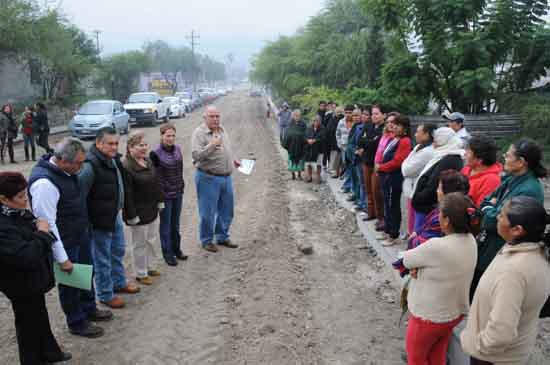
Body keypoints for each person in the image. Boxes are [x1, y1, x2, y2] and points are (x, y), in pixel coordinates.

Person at [29, 138, 111, 338]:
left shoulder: (67, 172)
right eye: (79, 164)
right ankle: (76, 321)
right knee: (70, 282)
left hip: (79, 235)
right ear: (64, 160)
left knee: (85, 274)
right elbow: (47, 224)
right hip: (64, 242)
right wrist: (62, 258)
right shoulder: (44, 184)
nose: (82, 168)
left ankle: (89, 308)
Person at [461, 196, 550, 365]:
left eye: (502, 215)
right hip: (513, 352)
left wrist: (476, 346)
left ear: (517, 229)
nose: (497, 218)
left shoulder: (513, 272)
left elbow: (501, 332)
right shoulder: (534, 252)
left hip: (493, 358)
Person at [0, 172, 72, 364]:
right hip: (19, 283)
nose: (25, 200)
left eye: (25, 195)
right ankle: (32, 360)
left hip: (32, 280)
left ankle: (50, 352)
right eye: (21, 197)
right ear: (3, 199)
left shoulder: (16, 212)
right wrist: (42, 232)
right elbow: (26, 255)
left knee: (39, 316)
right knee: (26, 324)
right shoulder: (3, 225)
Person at [402, 192, 478, 365]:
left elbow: (406, 260)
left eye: (440, 215)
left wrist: (414, 241)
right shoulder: (471, 241)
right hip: (453, 313)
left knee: (416, 358)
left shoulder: (437, 246)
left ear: (447, 221)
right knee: (438, 353)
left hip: (428, 317)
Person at [471, 138, 546, 299]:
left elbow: (495, 222)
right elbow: (486, 200)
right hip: (489, 247)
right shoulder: (512, 179)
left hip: (500, 250)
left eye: (508, 155)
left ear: (521, 162)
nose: (504, 157)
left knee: (488, 298)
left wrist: (491, 209)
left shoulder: (529, 190)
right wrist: (491, 208)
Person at [80, 127, 140, 309]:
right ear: (98, 143)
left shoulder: (112, 159)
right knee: (102, 258)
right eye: (110, 143)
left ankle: (119, 283)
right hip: (99, 221)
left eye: (116, 143)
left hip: (113, 215)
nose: (114, 147)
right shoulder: (90, 166)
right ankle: (106, 294)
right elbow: (79, 196)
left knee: (118, 250)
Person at [394, 170, 471, 276]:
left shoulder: (442, 218)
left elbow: (423, 245)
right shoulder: (454, 211)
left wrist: (413, 238)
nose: (437, 191)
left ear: (447, 193)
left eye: (439, 188)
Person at [191, 106, 241, 253]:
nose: (215, 119)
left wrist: (234, 159)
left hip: (226, 177)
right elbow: (196, 156)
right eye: (212, 116)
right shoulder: (199, 133)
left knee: (227, 210)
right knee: (208, 212)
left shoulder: (222, 130)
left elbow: (227, 149)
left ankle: (222, 236)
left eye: (217, 116)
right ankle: (206, 240)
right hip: (208, 177)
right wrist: (211, 145)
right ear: (204, 118)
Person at [123, 132, 165, 283]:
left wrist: (160, 200)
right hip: (138, 212)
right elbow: (127, 193)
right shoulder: (126, 166)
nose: (144, 148)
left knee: (152, 240)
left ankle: (151, 266)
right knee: (139, 244)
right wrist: (131, 215)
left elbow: (156, 182)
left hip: (152, 208)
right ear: (130, 148)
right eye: (140, 145)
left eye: (145, 145)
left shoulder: (147, 161)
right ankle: (141, 273)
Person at [411, 127, 464, 230]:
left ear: (443, 142)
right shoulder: (444, 154)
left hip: (427, 207)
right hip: (426, 205)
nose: (433, 144)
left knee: (421, 235)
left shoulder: (449, 158)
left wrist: (418, 198)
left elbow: (433, 185)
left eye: (436, 140)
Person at [150, 124, 187, 266]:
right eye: (167, 136)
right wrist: (160, 195)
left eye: (173, 136)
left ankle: (177, 249)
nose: (171, 138)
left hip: (178, 192)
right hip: (165, 195)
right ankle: (167, 253)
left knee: (175, 224)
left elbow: (180, 169)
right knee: (166, 225)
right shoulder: (155, 154)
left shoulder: (178, 149)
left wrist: (181, 185)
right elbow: (155, 178)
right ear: (161, 136)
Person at [376, 114, 412, 245]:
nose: (394, 127)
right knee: (387, 203)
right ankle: (387, 230)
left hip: (394, 177)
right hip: (387, 176)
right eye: (394, 125)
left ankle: (393, 234)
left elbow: (397, 161)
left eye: (397, 125)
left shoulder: (405, 141)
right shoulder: (395, 139)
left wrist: (381, 167)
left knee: (393, 205)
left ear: (405, 128)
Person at [401, 124, 436, 235]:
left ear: (426, 134)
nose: (415, 134)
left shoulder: (428, 152)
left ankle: (413, 243)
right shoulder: (419, 147)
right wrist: (405, 165)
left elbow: (407, 170)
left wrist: (405, 165)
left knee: (415, 220)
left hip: (415, 190)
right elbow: (406, 163)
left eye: (418, 132)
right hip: (410, 188)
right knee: (411, 217)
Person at [357, 104, 385, 223]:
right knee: (367, 189)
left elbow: (375, 144)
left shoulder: (385, 129)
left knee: (376, 191)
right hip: (366, 161)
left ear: (383, 115)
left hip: (377, 164)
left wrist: (367, 141)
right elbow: (360, 140)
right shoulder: (368, 125)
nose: (374, 116)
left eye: (376, 114)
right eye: (372, 114)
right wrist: (369, 141)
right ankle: (371, 212)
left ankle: (380, 217)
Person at [461, 135, 502, 206]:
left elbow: (480, 210)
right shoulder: (467, 169)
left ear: (479, 160)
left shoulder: (491, 180)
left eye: (469, 152)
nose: (465, 154)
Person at [373, 111, 396, 232]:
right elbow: (379, 151)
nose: (390, 125)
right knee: (377, 194)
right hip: (378, 168)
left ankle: (386, 222)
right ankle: (381, 218)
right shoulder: (385, 135)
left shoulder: (395, 138)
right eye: (388, 122)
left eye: (393, 122)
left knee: (385, 197)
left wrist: (381, 167)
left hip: (386, 171)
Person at [347, 108, 367, 212]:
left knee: (361, 181)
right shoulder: (354, 127)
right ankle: (356, 196)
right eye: (353, 116)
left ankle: (361, 201)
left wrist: (355, 151)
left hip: (358, 158)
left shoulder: (361, 128)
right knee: (355, 179)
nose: (355, 117)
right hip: (351, 158)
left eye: (357, 115)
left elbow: (358, 144)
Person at [282, 110, 307, 180]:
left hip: (300, 145)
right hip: (291, 145)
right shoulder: (290, 123)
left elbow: (305, 133)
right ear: (293, 116)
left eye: (298, 116)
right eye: (295, 115)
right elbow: (287, 133)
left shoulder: (303, 124)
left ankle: (299, 174)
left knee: (300, 160)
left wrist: (300, 137)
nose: (297, 117)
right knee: (291, 159)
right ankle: (292, 174)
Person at [336, 105, 354, 191]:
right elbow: (337, 133)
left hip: (353, 149)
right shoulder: (341, 122)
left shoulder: (356, 122)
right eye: (346, 113)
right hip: (344, 148)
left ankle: (350, 186)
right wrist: (339, 144)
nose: (348, 114)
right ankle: (347, 185)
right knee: (346, 166)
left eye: (350, 113)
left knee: (353, 167)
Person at [304, 114, 325, 183]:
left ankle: (318, 176)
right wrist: (308, 140)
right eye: (314, 121)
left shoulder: (323, 128)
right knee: (309, 163)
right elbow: (305, 136)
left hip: (319, 149)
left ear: (320, 121)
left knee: (319, 163)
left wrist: (315, 140)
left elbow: (323, 138)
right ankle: (310, 176)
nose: (315, 122)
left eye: (317, 121)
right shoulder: (309, 128)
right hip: (310, 148)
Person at [327, 106, 344, 178]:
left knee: (340, 159)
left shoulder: (342, 120)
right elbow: (329, 130)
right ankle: (337, 172)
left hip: (340, 142)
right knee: (337, 159)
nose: (339, 114)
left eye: (340, 112)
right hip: (335, 142)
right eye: (338, 112)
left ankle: (339, 172)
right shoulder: (333, 119)